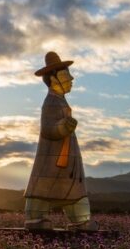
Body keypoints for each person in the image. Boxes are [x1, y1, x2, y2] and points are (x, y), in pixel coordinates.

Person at [24, 52, 98, 230]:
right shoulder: (50, 103)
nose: (71, 79)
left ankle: (80, 220)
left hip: (68, 159)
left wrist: (66, 127)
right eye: (66, 75)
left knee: (75, 191)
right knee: (43, 189)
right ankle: (36, 218)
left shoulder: (61, 101)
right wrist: (63, 127)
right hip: (51, 160)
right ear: (54, 79)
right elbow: (47, 129)